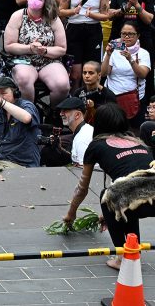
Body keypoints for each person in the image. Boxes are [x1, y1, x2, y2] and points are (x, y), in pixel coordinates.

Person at [65, 103, 155, 270]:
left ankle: (122, 257)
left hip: (139, 197)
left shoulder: (96, 145)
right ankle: (132, 251)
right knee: (125, 196)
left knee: (108, 196)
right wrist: (107, 214)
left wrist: (71, 214)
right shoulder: (138, 142)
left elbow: (82, 188)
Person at [3, 0, 70, 104]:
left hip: (48, 60)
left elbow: (61, 48)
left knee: (62, 85)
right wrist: (30, 48)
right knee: (24, 79)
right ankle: (29, 113)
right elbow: (8, 46)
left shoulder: (53, 18)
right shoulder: (17, 16)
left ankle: (54, 114)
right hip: (23, 60)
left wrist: (44, 50)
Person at [101, 20, 152, 125]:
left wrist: (130, 59)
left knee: (133, 132)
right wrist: (108, 55)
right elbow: (103, 73)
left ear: (138, 36)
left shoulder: (143, 53)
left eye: (131, 34)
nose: (126, 37)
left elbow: (142, 74)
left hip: (133, 100)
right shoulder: (113, 50)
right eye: (124, 34)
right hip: (112, 97)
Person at [40, 97, 94, 167]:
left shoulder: (83, 137)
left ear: (77, 115)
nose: (61, 114)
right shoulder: (81, 132)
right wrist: (58, 148)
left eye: (65, 111)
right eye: (61, 111)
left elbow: (86, 170)